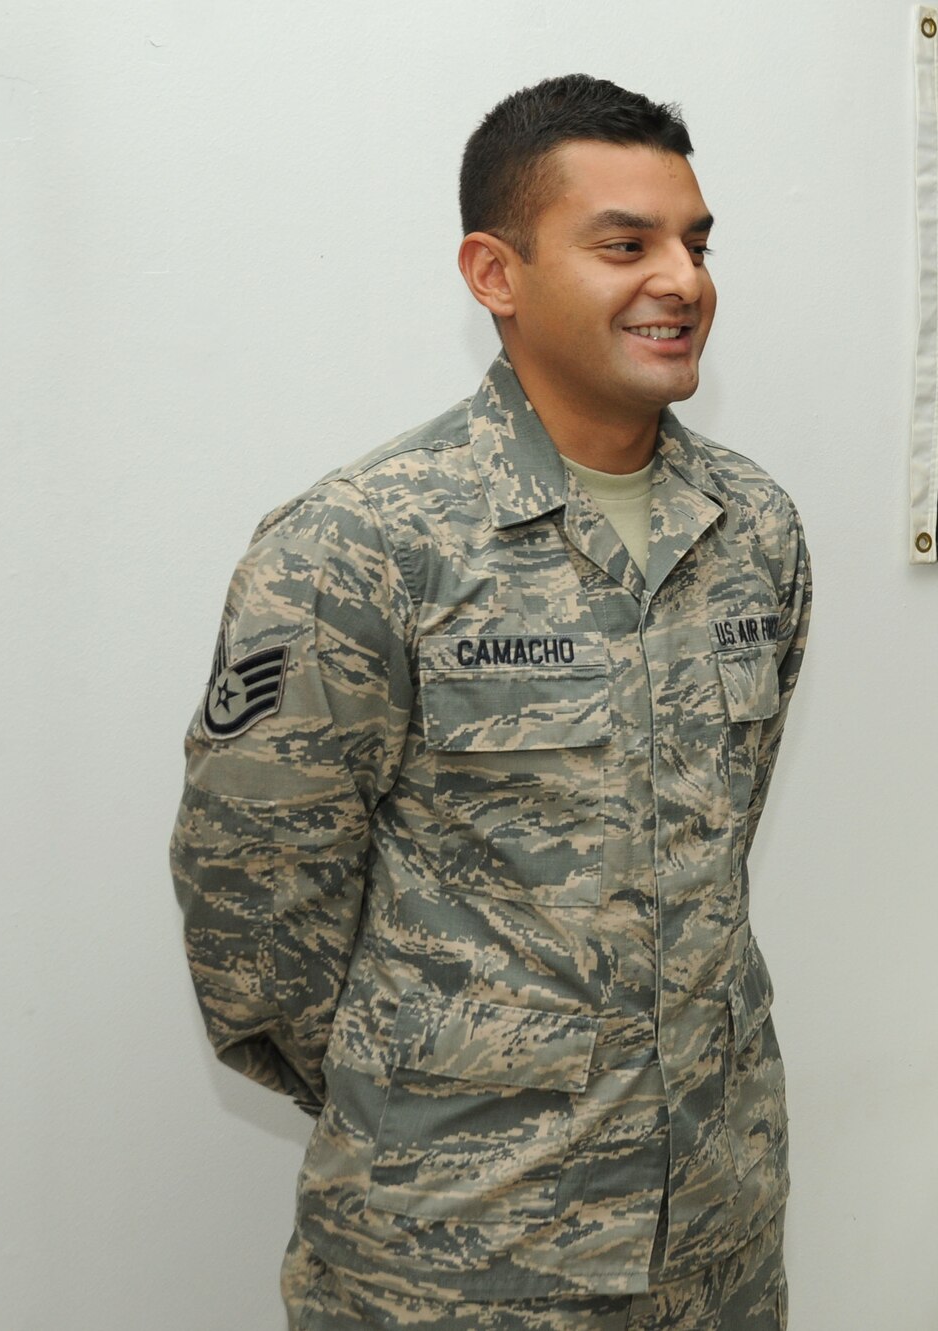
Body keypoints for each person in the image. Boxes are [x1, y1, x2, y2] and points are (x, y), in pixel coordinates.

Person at [171, 75, 808, 1330]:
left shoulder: (754, 529)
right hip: (456, 1257)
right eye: (624, 244)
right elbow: (254, 915)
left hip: (714, 1238)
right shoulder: (361, 545)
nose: (680, 278)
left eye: (696, 241)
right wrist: (434, 1090)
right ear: (493, 272)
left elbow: (713, 838)